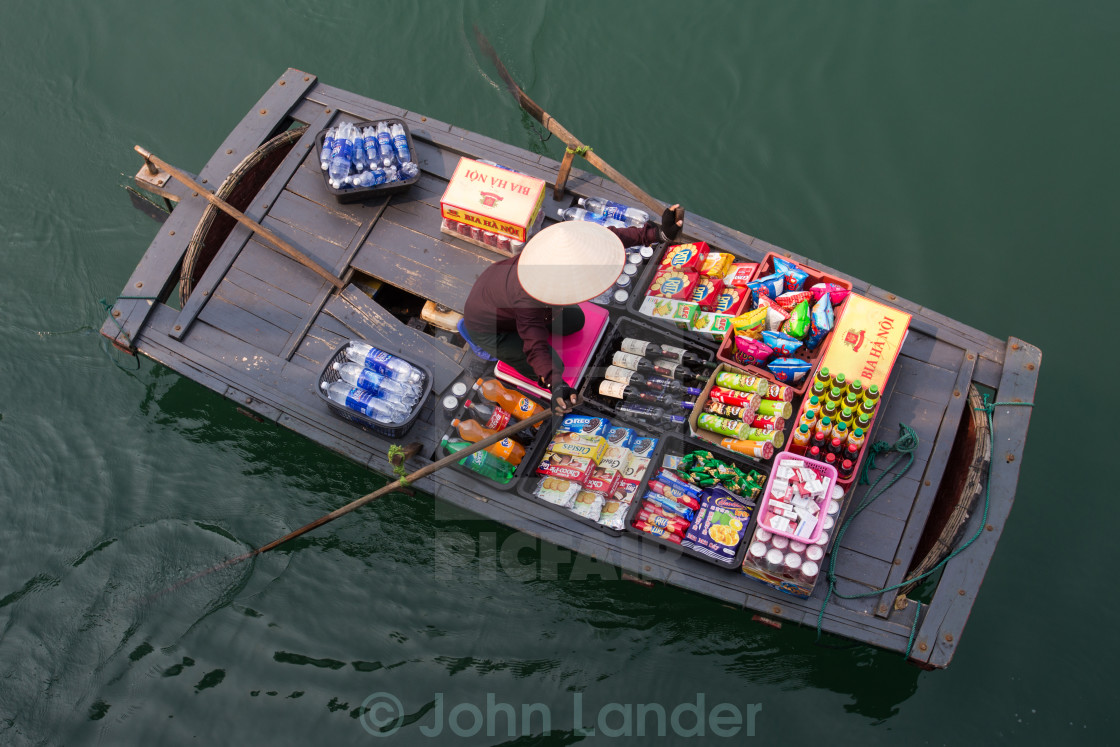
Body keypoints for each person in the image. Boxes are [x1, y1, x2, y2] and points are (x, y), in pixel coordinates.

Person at [462, 204, 684, 414]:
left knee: (576, 320)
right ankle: (495, 349)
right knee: (554, 365)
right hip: (490, 327)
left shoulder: (558, 250)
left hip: (505, 299)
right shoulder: (527, 297)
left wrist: (656, 235)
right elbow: (534, 344)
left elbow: (609, 239)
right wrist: (555, 383)